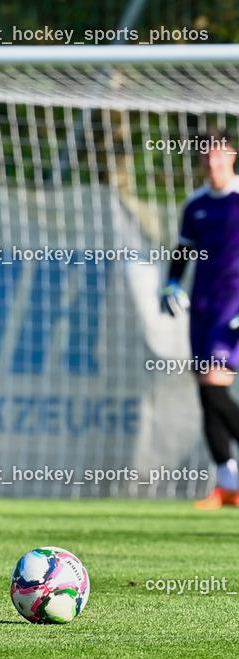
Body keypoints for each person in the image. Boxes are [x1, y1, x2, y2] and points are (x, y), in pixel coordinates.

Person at [162, 128, 239, 509]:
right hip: (203, 305)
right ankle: (228, 484)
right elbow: (183, 251)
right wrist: (171, 285)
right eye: (206, 156)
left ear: (233, 156)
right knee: (207, 394)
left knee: (213, 384)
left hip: (234, 303)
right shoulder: (195, 204)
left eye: (219, 154)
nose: (213, 162)